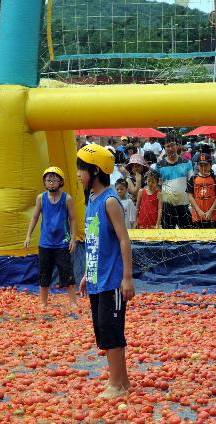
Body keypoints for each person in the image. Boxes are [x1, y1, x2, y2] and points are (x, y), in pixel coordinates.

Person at [76, 144, 135, 399]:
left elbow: (124, 240)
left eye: (82, 169)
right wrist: (86, 274)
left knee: (111, 329)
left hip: (112, 280)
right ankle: (122, 381)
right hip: (97, 278)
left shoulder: (110, 201)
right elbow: (94, 242)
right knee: (104, 329)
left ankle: (115, 384)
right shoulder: (91, 200)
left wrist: (127, 277)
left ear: (96, 171)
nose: (78, 174)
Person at [24, 167, 78, 309]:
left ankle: (73, 301)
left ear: (61, 182)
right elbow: (35, 217)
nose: (52, 183)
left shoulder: (67, 199)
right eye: (49, 180)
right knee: (44, 272)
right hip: (46, 243)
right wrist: (28, 235)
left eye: (55, 180)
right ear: (44, 182)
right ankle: (43, 301)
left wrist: (73, 238)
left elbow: (72, 219)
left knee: (67, 272)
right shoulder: (41, 198)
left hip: (62, 243)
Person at [155, 136, 193, 229]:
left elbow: (191, 184)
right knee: (167, 236)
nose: (170, 148)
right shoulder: (159, 165)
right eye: (168, 146)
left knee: (186, 235)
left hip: (184, 204)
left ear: (177, 146)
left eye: (172, 145)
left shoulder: (187, 163)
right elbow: (158, 187)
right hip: (167, 206)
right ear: (164, 147)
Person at [186, 153, 216, 229]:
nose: (203, 168)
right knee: (198, 239)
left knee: (211, 239)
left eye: (206, 165)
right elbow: (190, 196)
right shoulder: (193, 179)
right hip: (197, 215)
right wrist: (199, 211)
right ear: (197, 166)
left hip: (212, 215)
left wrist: (210, 211)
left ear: (211, 165)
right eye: (201, 165)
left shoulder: (215, 179)